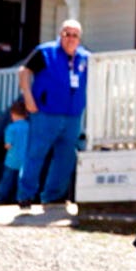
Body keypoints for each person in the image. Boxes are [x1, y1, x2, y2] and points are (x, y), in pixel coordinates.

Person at [17, 19, 89, 208]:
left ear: (79, 38)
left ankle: (53, 196)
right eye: (67, 34)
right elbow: (24, 71)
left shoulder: (85, 57)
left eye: (75, 35)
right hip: (45, 113)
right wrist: (28, 98)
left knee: (66, 157)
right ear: (60, 35)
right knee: (36, 153)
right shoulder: (45, 51)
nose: (70, 38)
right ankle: (26, 195)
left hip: (73, 115)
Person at [0, 100, 30, 204]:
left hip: (11, 160)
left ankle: (2, 200)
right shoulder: (30, 127)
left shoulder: (11, 128)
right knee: (22, 182)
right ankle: (20, 199)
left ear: (12, 114)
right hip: (25, 160)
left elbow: (8, 145)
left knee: (6, 182)